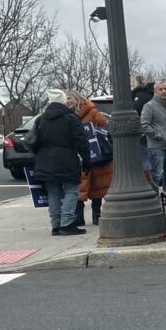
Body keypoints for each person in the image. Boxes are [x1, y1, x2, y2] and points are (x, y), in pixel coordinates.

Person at [27, 89, 90, 236]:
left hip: (45, 160)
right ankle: (67, 223)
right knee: (72, 190)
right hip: (67, 160)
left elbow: (34, 142)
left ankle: (56, 225)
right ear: (62, 101)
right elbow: (81, 141)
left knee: (53, 192)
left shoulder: (41, 119)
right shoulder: (70, 118)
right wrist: (86, 159)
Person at [66, 90, 113, 226]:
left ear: (77, 99)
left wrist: (95, 131)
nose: (68, 101)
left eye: (70, 98)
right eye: (66, 99)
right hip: (78, 155)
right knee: (80, 184)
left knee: (97, 185)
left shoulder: (91, 111)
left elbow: (104, 124)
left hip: (95, 153)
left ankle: (96, 214)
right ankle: (78, 216)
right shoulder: (67, 115)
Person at [140, 80, 166, 191]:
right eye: (160, 89)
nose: (163, 91)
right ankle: (154, 202)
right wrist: (158, 135)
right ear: (155, 91)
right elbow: (144, 125)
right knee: (156, 176)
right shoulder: (149, 106)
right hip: (157, 147)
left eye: (165, 89)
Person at [131, 75, 154, 181]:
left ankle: (147, 181)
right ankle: (154, 179)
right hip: (153, 130)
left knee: (144, 157)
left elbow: (135, 111)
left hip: (140, 131)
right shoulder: (151, 95)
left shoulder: (137, 97)